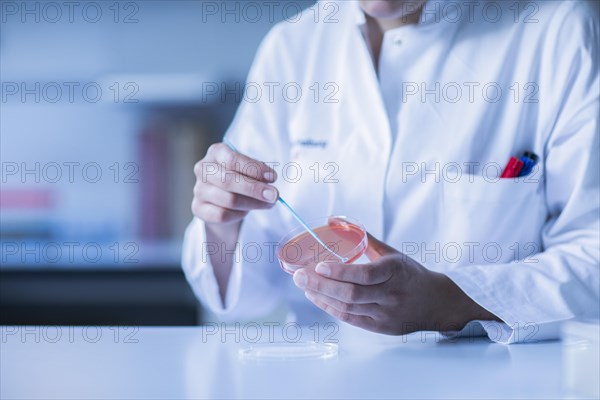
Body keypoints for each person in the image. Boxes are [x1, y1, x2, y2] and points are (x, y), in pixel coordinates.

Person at [182, 0, 599, 343]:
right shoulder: (294, 46)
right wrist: (222, 225)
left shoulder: (559, 31)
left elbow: (592, 258)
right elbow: (242, 298)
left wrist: (452, 302)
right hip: (323, 382)